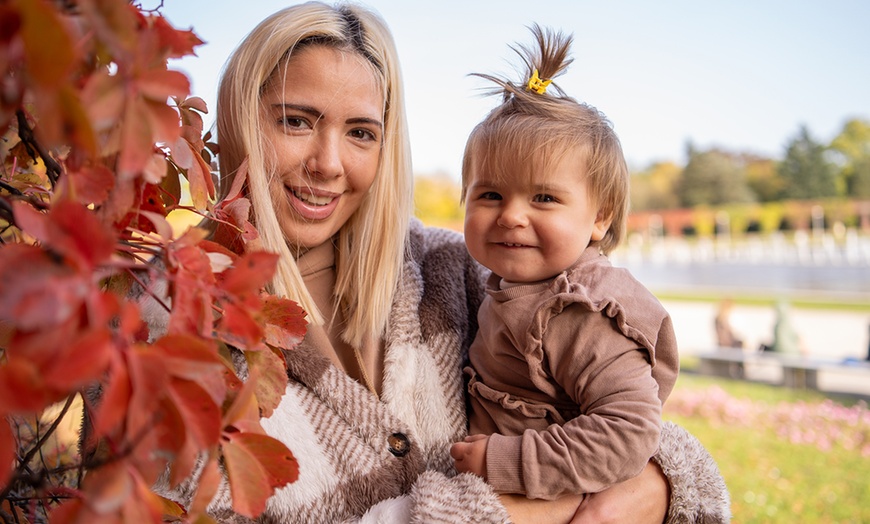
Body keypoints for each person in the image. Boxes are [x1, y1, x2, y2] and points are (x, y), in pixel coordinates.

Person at [143, 2, 730, 522]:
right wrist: (515, 510)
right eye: (295, 121)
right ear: (241, 120)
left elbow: (651, 441)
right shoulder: (165, 318)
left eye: (362, 133)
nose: (328, 163)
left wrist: (655, 484)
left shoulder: (455, 273)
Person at [449, 25, 678, 502]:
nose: (511, 215)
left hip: (551, 498)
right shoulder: (509, 283)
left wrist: (501, 461)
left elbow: (629, 431)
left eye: (545, 198)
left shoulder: (578, 311)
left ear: (599, 218)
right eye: (490, 194)